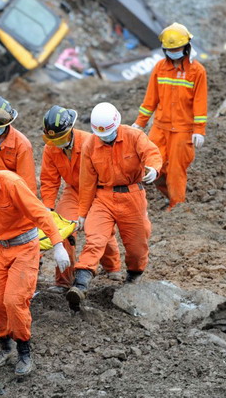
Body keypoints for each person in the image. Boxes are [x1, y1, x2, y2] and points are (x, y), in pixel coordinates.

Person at [0, 148, 69, 376]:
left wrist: (58, 245)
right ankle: (5, 346)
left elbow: (40, 213)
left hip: (25, 248)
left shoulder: (12, 184)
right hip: (0, 249)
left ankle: (24, 351)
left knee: (14, 301)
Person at [66, 103, 162, 311]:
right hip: (104, 197)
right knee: (95, 238)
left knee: (137, 245)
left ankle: (134, 273)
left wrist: (153, 169)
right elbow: (87, 181)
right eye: (101, 134)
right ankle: (80, 284)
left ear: (117, 124)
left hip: (132, 195)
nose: (105, 137)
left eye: (108, 133)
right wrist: (83, 213)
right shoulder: (91, 145)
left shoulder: (133, 136)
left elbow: (151, 153)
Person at [40, 105, 122, 293]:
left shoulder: (90, 142)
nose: (56, 142)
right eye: (53, 139)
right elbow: (49, 180)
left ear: (70, 131)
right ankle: (63, 281)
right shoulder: (51, 148)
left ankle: (112, 266)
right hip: (73, 191)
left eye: (60, 138)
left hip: (98, 191)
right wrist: (48, 207)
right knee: (64, 230)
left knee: (101, 231)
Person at [132, 22, 208, 210]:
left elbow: (200, 102)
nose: (174, 51)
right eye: (170, 49)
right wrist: (139, 123)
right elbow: (150, 99)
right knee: (151, 166)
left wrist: (199, 130)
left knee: (175, 172)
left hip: (183, 131)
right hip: (160, 127)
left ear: (187, 47)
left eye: (178, 48)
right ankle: (171, 197)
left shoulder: (197, 71)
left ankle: (177, 207)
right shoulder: (160, 68)